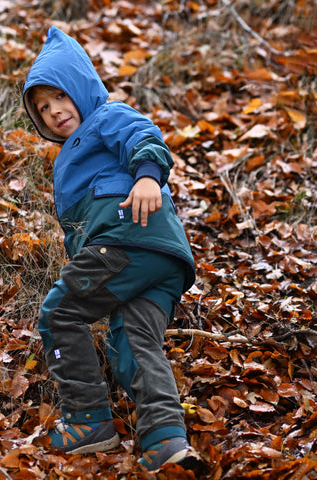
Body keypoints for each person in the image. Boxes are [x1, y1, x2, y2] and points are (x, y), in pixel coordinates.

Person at [22, 25, 199, 472]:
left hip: (129, 238)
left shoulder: (107, 117)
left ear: (81, 88)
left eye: (59, 96)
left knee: (60, 313)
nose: (53, 111)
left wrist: (145, 177)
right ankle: (165, 440)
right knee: (133, 339)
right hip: (161, 259)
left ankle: (88, 420)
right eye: (42, 108)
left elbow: (145, 137)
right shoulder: (71, 155)